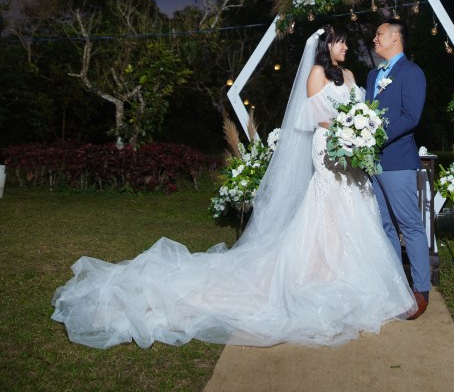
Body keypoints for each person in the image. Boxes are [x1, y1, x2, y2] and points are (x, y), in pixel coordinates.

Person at [51, 26, 416, 349]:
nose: (346, 48)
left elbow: (361, 108)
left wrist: (361, 129)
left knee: (355, 208)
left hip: (352, 152)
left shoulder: (352, 74)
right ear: (327, 46)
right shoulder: (317, 73)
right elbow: (315, 116)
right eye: (341, 43)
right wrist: (347, 129)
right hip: (328, 146)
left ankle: (350, 274)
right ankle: (317, 270)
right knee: (328, 207)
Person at [366, 20, 431, 319]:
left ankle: (420, 291)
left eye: (379, 34)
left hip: (397, 161)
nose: (374, 39)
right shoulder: (372, 75)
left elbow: (411, 116)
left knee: (410, 226)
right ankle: (395, 288)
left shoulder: (412, 72)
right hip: (372, 163)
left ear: (395, 37)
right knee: (384, 227)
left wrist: (374, 134)